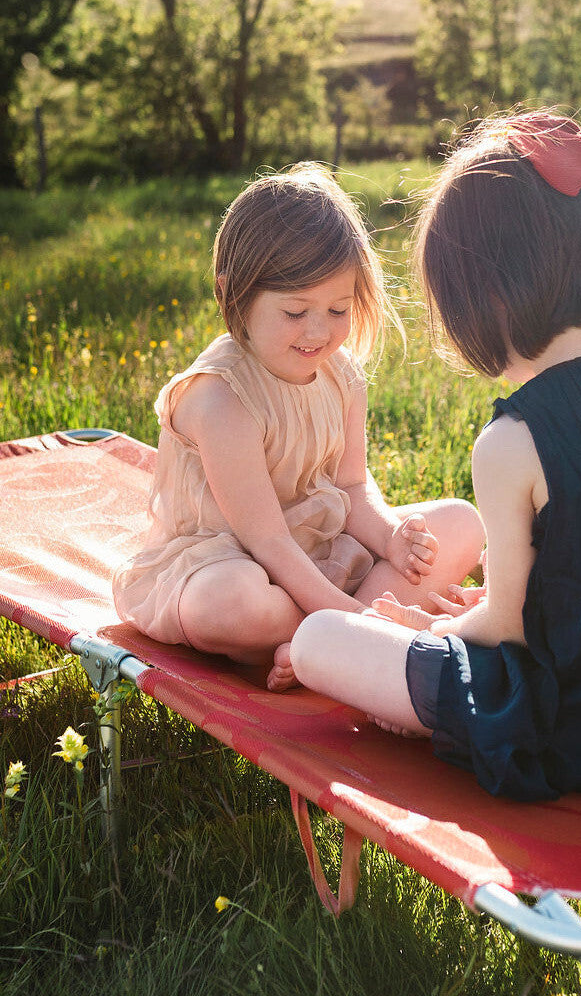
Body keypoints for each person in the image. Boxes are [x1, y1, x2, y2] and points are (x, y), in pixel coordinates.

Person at [282, 111, 581, 801]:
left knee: (319, 643)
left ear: (483, 294)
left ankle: (435, 716)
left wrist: (440, 627)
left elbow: (508, 629)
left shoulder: (513, 440)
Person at [112, 163, 485, 691]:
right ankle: (344, 639)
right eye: (294, 311)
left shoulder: (341, 375)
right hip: (232, 561)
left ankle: (319, 647)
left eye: (337, 309)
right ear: (233, 294)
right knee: (229, 604)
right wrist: (349, 619)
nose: (317, 331)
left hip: (318, 552)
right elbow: (266, 540)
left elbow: (352, 487)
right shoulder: (221, 398)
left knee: (461, 523)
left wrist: (390, 536)